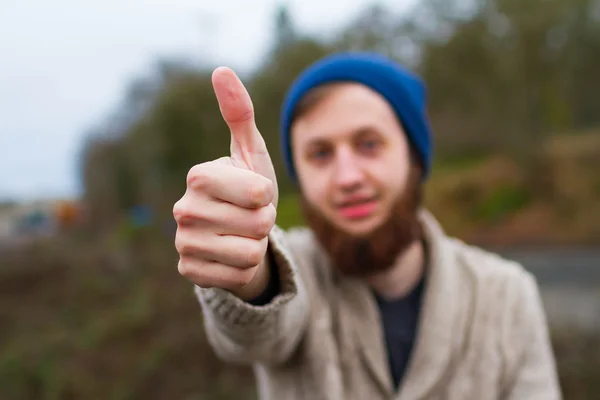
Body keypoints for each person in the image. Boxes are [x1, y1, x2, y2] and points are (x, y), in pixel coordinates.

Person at [173, 52, 562, 400]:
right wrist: (251, 270)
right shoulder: (295, 272)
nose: (347, 177)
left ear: (415, 157)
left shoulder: (507, 295)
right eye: (320, 153)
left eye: (369, 144)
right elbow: (255, 337)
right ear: (300, 176)